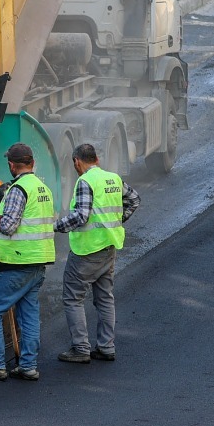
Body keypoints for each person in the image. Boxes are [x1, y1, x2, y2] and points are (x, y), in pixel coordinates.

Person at [0, 143, 57, 382]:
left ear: (11, 165)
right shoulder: (43, 188)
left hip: (16, 263)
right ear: (32, 162)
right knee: (28, 315)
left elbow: (8, 226)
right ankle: (28, 366)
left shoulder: (19, 189)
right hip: (37, 263)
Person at [55, 143, 139, 363]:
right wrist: (116, 221)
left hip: (87, 250)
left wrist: (56, 227)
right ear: (97, 160)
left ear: (77, 161)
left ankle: (81, 349)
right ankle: (106, 347)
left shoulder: (85, 181)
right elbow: (134, 199)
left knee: (73, 298)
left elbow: (81, 216)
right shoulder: (112, 178)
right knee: (104, 299)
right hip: (109, 247)